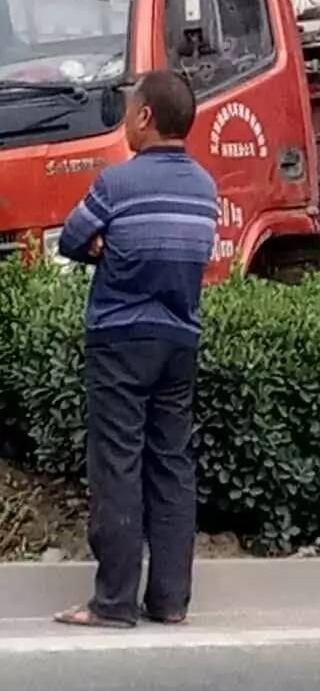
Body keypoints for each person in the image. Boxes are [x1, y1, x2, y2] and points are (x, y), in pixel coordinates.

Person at [54, 70, 217, 629]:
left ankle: (114, 602)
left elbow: (72, 238)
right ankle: (170, 601)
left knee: (118, 464)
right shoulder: (204, 187)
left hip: (120, 339)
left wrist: (108, 249)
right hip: (179, 341)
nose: (125, 118)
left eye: (129, 109)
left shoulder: (116, 183)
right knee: (172, 465)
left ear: (145, 117)